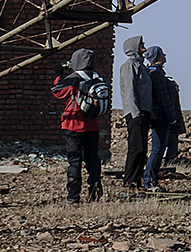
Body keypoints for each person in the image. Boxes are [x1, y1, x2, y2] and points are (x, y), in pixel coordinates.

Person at [52, 48, 106, 203]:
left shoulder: (75, 78)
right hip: (93, 125)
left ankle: (73, 196)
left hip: (73, 125)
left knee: (74, 160)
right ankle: (95, 193)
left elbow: (57, 92)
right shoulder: (97, 78)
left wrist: (58, 75)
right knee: (93, 160)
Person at [115, 35, 154, 190]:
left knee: (142, 148)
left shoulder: (141, 65)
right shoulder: (129, 66)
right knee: (136, 148)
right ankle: (130, 180)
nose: (144, 46)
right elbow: (129, 91)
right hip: (135, 113)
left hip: (143, 112)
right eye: (141, 44)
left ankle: (136, 181)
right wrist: (135, 112)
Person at [142, 46, 176, 192]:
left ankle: (151, 179)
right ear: (157, 56)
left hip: (159, 114)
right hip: (161, 115)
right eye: (162, 53)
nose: (165, 55)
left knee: (159, 148)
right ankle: (149, 180)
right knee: (158, 148)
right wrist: (172, 117)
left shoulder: (155, 73)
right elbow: (163, 99)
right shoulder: (156, 74)